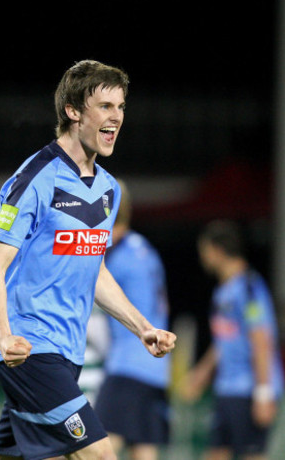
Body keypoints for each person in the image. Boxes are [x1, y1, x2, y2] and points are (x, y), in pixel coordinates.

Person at [0, 59, 176, 460]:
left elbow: (95, 270)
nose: (116, 117)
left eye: (120, 107)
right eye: (105, 106)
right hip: (31, 350)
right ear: (73, 111)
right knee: (98, 454)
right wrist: (3, 336)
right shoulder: (36, 178)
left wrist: (142, 328)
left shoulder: (107, 190)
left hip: (68, 352)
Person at [181, 220, 284, 460]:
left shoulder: (249, 288)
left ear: (216, 250)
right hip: (227, 389)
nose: (202, 257)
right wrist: (201, 374)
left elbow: (261, 340)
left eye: (204, 250)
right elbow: (225, 340)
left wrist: (263, 393)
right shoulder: (223, 291)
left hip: (248, 390)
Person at [93, 180, 171, 460]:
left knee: (99, 448)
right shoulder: (146, 250)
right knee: (144, 447)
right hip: (156, 369)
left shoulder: (116, 256)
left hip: (127, 365)